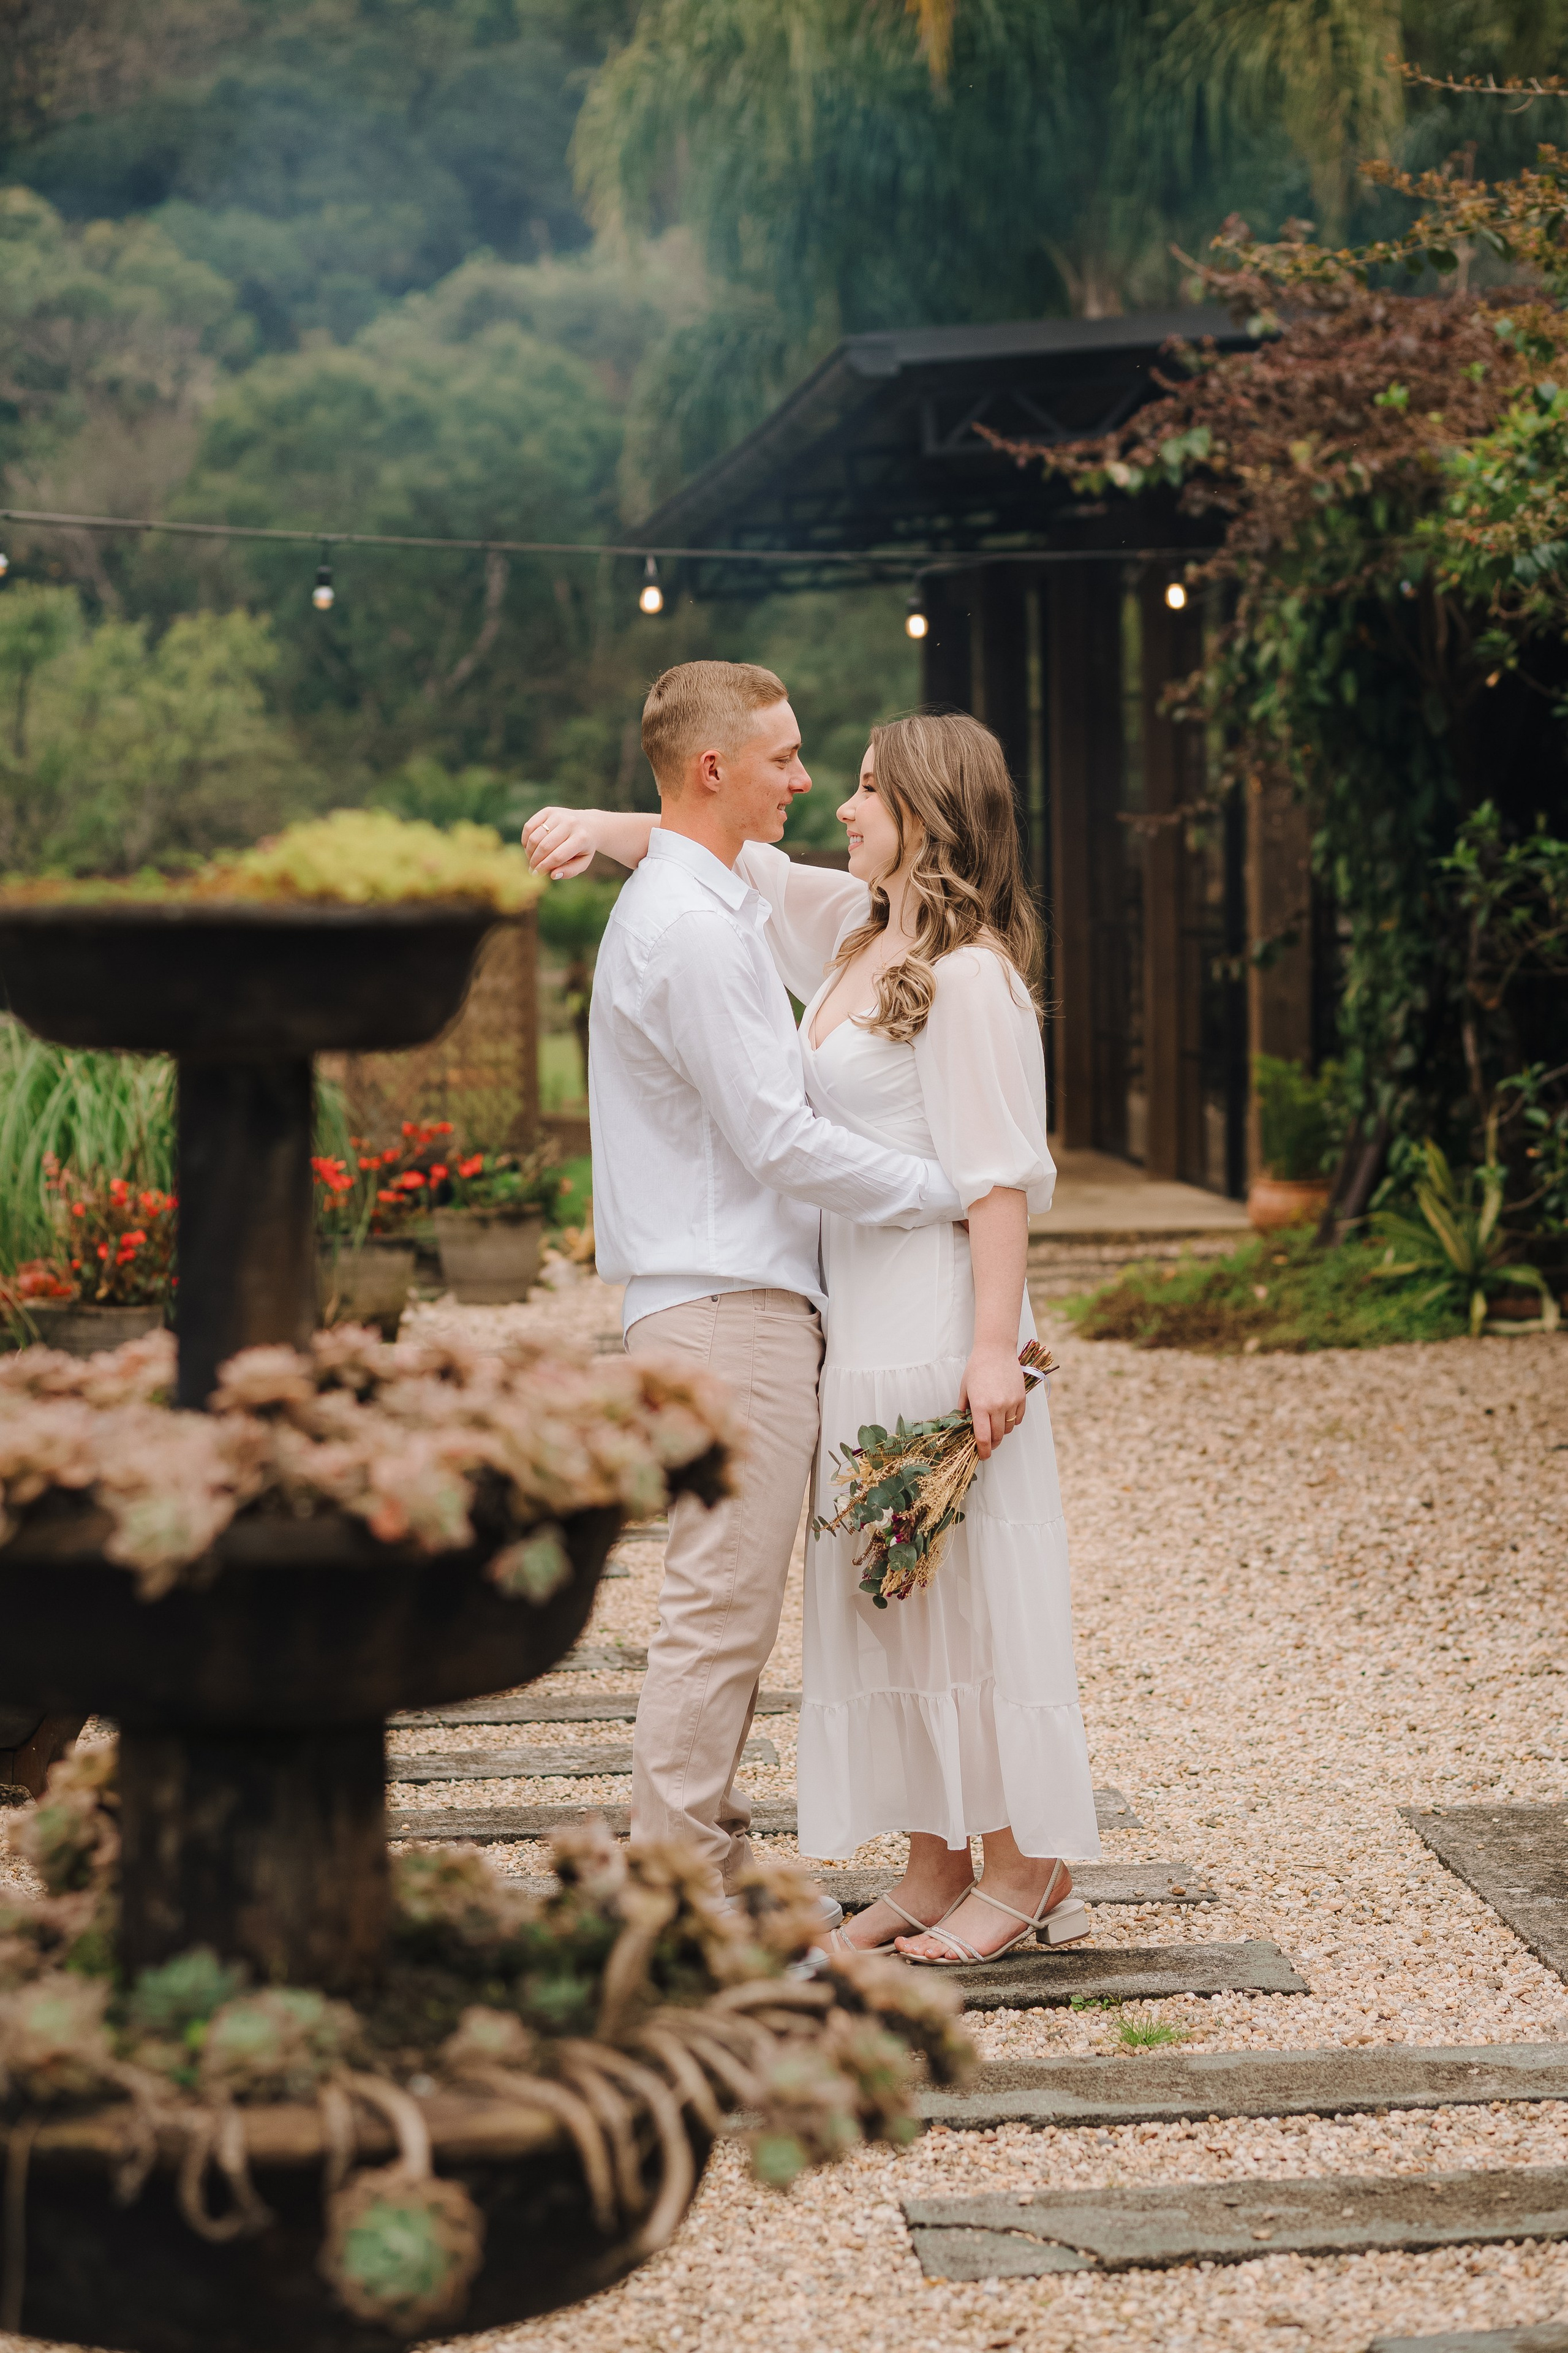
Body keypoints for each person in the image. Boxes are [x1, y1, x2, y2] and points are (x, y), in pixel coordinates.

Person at [528, 700, 1099, 1963]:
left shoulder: (971, 977)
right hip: (858, 1319)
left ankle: (1021, 1868)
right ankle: (928, 1864)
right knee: (895, 1598)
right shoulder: (850, 936)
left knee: (971, 1595)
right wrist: (604, 823)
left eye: (862, 788)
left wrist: (993, 1344)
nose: (836, 801)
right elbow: (719, 849)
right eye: (818, 774)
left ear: (927, 817)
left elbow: (996, 1177)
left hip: (940, 1311)